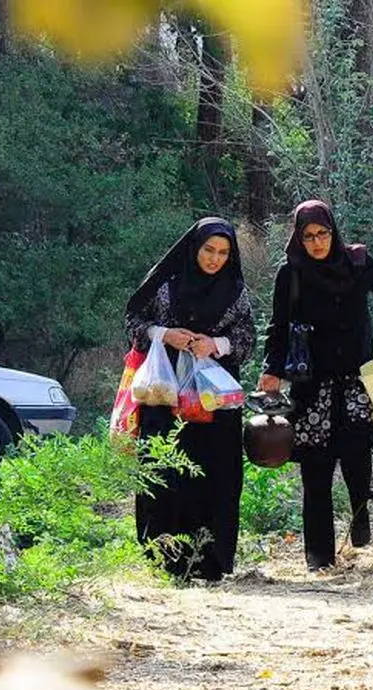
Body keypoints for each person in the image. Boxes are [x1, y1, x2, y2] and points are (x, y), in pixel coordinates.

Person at [258, 200, 373, 572]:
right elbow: (277, 327)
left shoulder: (356, 262)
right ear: (299, 238)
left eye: (323, 234)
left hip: (356, 379)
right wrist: (270, 370)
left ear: (333, 231)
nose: (317, 243)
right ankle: (319, 556)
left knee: (357, 456)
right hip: (312, 383)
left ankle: (361, 534)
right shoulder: (290, 273)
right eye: (308, 237)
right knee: (316, 468)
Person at [125, 217, 255, 582]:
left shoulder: (235, 291)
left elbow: (246, 337)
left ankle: (209, 560)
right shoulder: (165, 283)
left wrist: (215, 344)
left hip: (215, 396)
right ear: (194, 248)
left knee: (216, 473)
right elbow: (133, 320)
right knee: (165, 469)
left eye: (223, 253)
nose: (215, 259)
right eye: (209, 250)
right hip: (163, 394)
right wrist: (164, 334)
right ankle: (162, 558)